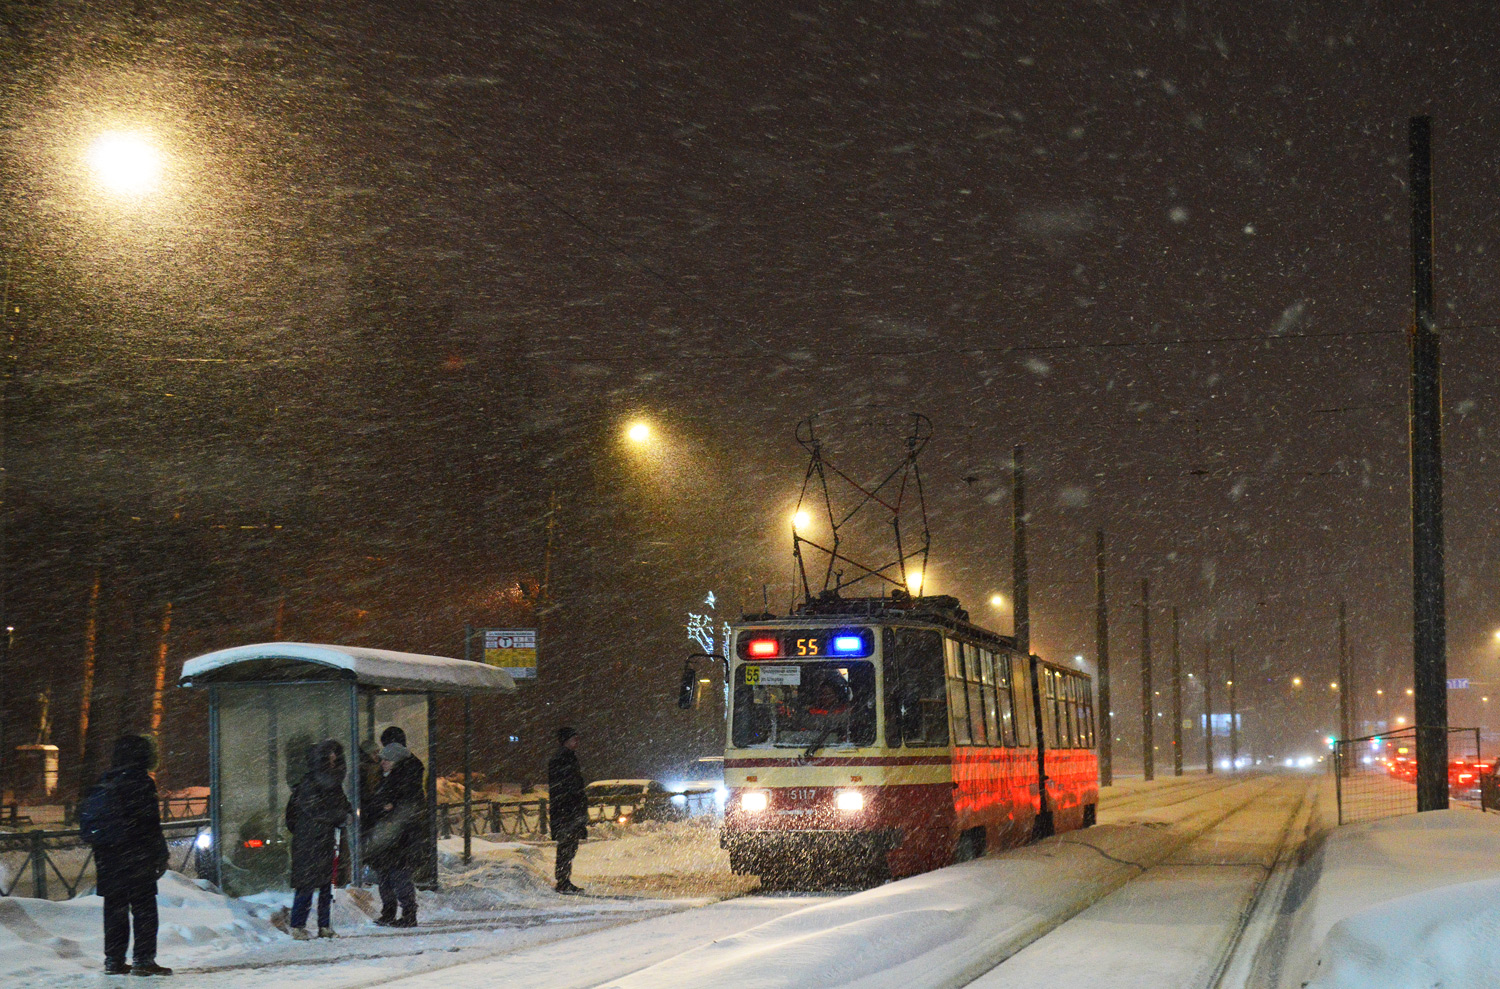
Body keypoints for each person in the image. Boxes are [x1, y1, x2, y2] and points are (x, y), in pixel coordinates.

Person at [93, 735, 172, 977]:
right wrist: (160, 854)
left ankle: (114, 961)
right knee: (144, 908)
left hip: (108, 855)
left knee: (115, 909)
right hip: (136, 854)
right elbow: (149, 823)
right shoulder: (140, 782)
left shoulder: (106, 780)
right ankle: (143, 960)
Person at [285, 739, 351, 940]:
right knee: (307, 884)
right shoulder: (310, 784)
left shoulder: (332, 784)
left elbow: (342, 805)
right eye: (329, 756)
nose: (333, 760)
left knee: (326, 885)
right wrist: (337, 816)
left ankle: (324, 925)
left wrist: (345, 813)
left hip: (324, 840)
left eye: (335, 756)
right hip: (310, 841)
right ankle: (297, 925)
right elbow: (315, 809)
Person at [364, 739, 425, 927]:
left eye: (387, 760)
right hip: (386, 836)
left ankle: (408, 913)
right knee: (386, 877)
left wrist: (390, 808)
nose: (382, 762)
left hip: (398, 838)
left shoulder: (403, 782)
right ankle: (389, 912)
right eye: (382, 759)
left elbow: (407, 809)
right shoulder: (387, 779)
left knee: (399, 876)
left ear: (397, 761)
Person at [547, 727, 588, 894]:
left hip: (569, 809)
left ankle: (564, 880)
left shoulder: (568, 757)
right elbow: (564, 786)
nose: (576, 742)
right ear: (565, 740)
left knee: (569, 847)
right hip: (566, 810)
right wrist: (573, 802)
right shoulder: (561, 759)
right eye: (574, 739)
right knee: (566, 847)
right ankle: (562, 881)